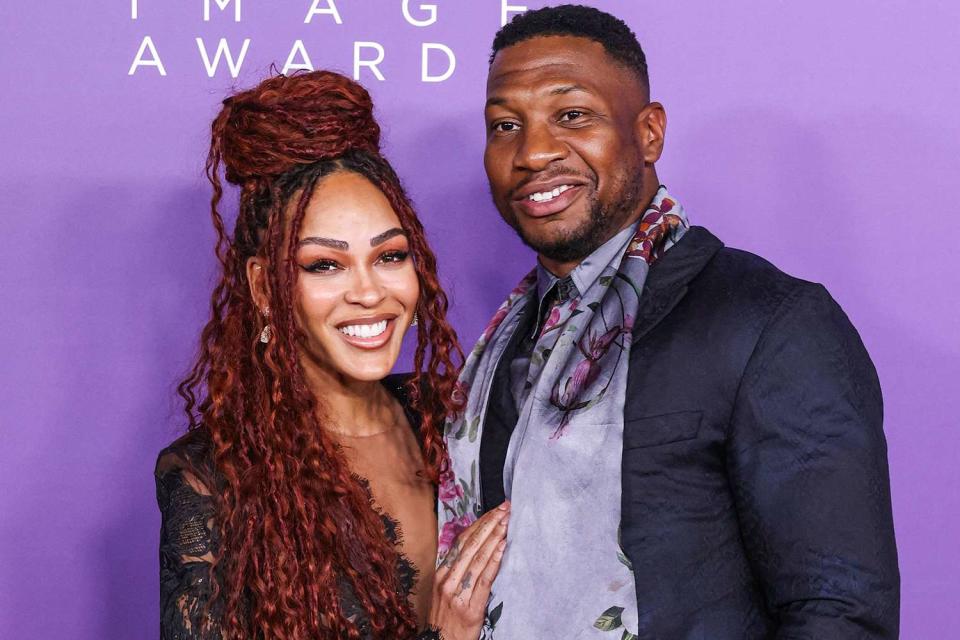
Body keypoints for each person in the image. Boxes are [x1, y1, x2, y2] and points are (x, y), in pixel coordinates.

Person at [438, 5, 899, 639]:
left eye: (572, 115)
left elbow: (838, 613)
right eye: (505, 125)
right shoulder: (500, 350)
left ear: (649, 132)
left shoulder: (769, 323)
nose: (534, 151)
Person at [156, 70, 508, 640]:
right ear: (266, 288)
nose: (369, 292)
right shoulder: (212, 479)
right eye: (325, 264)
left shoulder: (453, 417)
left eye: (391, 256)